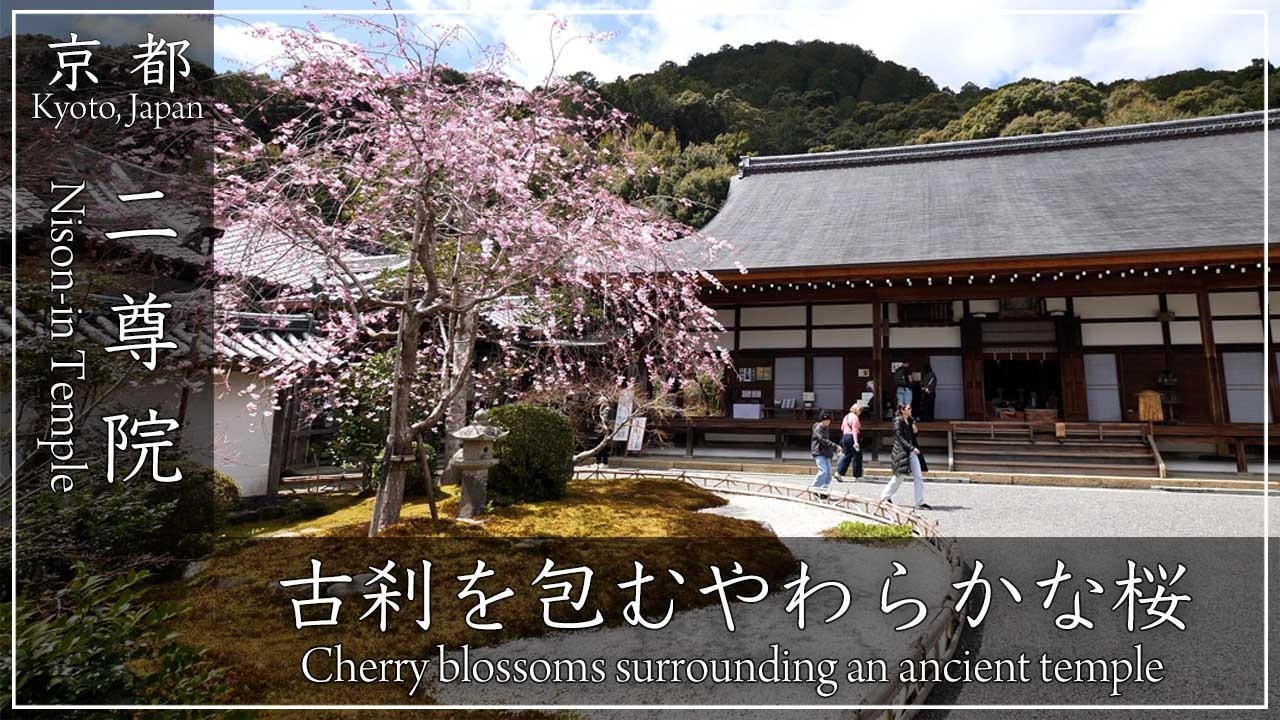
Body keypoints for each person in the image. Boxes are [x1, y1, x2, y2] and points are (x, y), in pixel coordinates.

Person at [879, 403, 931, 510]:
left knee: (918, 476)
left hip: (912, 451)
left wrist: (915, 430)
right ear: (903, 410)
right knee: (899, 476)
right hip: (901, 451)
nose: (910, 410)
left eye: (910, 408)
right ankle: (885, 496)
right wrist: (912, 448)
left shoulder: (910, 420)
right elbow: (899, 438)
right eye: (908, 408)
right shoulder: (898, 421)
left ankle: (920, 502)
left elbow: (913, 435)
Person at [809, 412, 840, 498]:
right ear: (822, 420)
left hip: (826, 452)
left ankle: (823, 491)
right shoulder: (818, 428)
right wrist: (835, 446)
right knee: (823, 471)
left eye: (828, 420)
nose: (827, 422)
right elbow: (823, 440)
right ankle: (814, 488)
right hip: (819, 451)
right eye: (826, 420)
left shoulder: (825, 427)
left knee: (828, 474)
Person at [835, 403, 863, 481]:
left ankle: (839, 472)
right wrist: (856, 442)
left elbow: (842, 428)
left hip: (845, 437)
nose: (860, 412)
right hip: (852, 437)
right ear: (858, 410)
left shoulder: (846, 417)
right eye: (860, 410)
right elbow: (854, 430)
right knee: (857, 456)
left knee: (847, 455)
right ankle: (857, 476)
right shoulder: (855, 418)